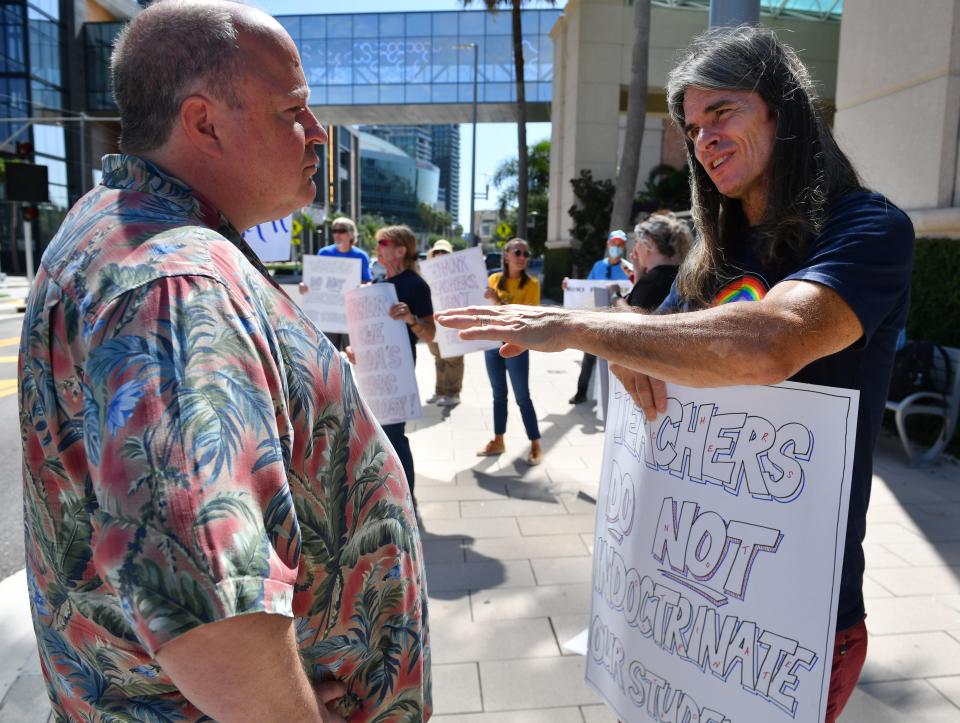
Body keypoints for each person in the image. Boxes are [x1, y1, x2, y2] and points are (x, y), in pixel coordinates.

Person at [437, 25, 914, 723]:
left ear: (784, 111)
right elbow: (658, 332)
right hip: (680, 600)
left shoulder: (866, 229)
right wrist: (638, 350)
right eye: (692, 127)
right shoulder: (704, 259)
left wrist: (579, 328)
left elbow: (771, 343)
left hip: (793, 617)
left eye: (723, 113)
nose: (704, 139)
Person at [17, 2, 430, 721]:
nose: (317, 133)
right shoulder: (180, 283)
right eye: (293, 110)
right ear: (203, 121)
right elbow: (203, 602)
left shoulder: (114, 223)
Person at [372, 224, 436, 494]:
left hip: (398, 369)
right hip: (373, 369)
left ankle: (406, 497)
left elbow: (431, 333)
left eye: (383, 242)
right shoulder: (378, 285)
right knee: (379, 434)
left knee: (394, 433)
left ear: (400, 250)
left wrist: (410, 318)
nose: (378, 247)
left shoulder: (416, 284)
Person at [477, 238, 544, 466]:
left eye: (526, 253)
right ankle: (498, 440)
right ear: (506, 255)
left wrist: (497, 301)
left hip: (517, 346)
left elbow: (527, 320)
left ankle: (535, 444)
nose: (523, 257)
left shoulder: (532, 284)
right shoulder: (494, 279)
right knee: (498, 395)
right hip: (493, 344)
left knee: (522, 397)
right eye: (518, 252)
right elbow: (486, 314)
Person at [568, 229, 632, 404]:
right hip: (596, 320)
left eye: (620, 244)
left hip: (617, 323)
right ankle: (581, 393)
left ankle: (616, 399)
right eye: (614, 243)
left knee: (615, 362)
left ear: (624, 246)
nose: (616, 247)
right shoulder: (598, 266)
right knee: (588, 359)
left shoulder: (628, 269)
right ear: (608, 244)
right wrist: (569, 286)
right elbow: (586, 289)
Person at [298, 217, 370, 350]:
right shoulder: (324, 253)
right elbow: (315, 280)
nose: (336, 234)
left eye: (340, 230)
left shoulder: (361, 255)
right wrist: (305, 286)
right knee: (328, 352)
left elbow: (367, 281)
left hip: (351, 312)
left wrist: (365, 287)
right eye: (334, 230)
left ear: (351, 234)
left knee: (355, 352)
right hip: (328, 314)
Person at [611, 213, 691, 312]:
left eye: (637, 242)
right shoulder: (684, 275)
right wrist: (639, 275)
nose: (634, 249)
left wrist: (615, 297)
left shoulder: (653, 282)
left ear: (649, 242)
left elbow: (634, 321)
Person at [424, 238, 464, 407]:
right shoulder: (425, 274)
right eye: (437, 252)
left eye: (444, 252)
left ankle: (453, 393)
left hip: (452, 323)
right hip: (433, 323)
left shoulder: (459, 274)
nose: (440, 255)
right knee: (438, 358)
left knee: (453, 359)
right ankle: (440, 391)